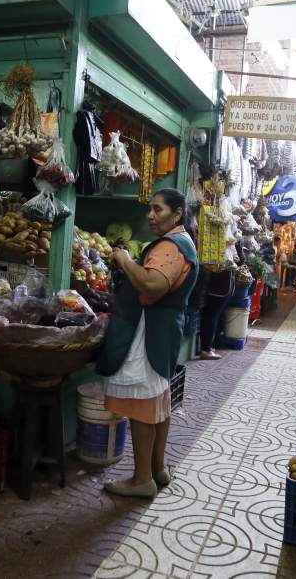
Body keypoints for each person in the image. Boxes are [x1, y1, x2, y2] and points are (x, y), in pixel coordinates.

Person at [97, 189, 199, 498]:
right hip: (163, 330)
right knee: (158, 400)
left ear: (177, 214)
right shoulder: (183, 242)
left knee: (140, 404)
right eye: (150, 209)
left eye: (158, 209)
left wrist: (126, 261)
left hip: (149, 330)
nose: (150, 215)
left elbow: (153, 285)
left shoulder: (171, 246)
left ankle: (142, 479)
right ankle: (157, 468)